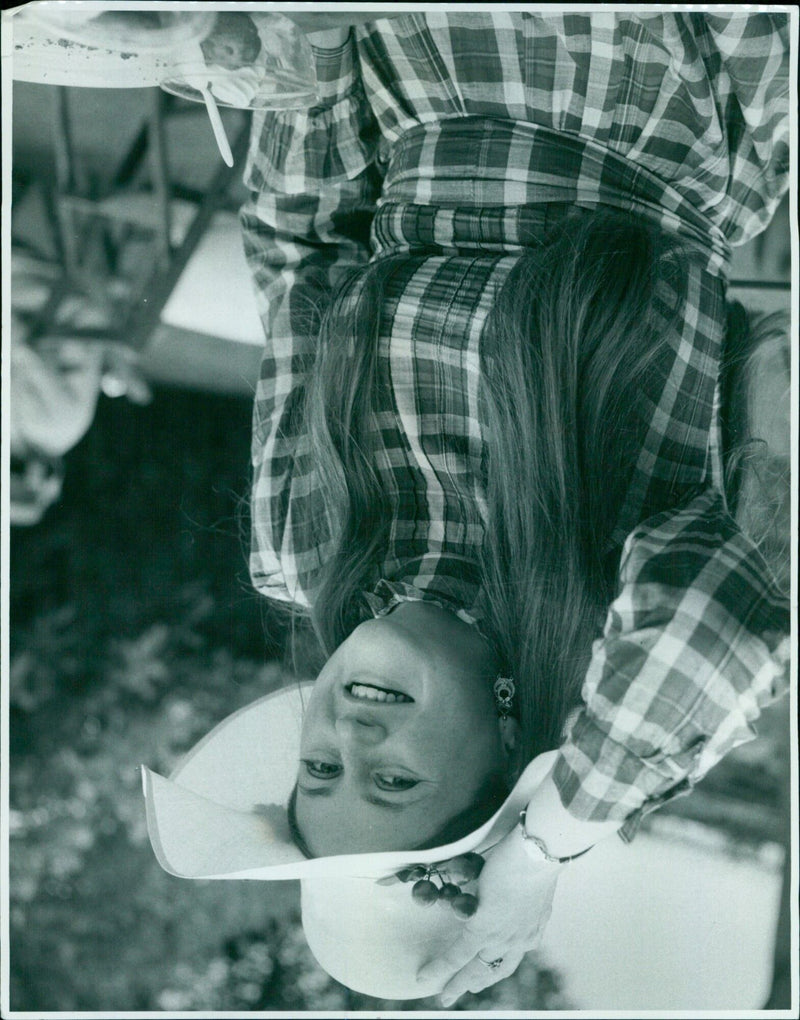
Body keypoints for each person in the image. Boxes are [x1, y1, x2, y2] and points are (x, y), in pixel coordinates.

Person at [146, 10, 791, 1004]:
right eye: (393, 783)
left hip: (411, 64)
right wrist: (544, 846)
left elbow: (297, 257)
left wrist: (314, 59)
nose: (348, 740)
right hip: (654, 98)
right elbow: (713, 636)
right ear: (507, 741)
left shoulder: (297, 550)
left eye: (317, 770)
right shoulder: (597, 623)